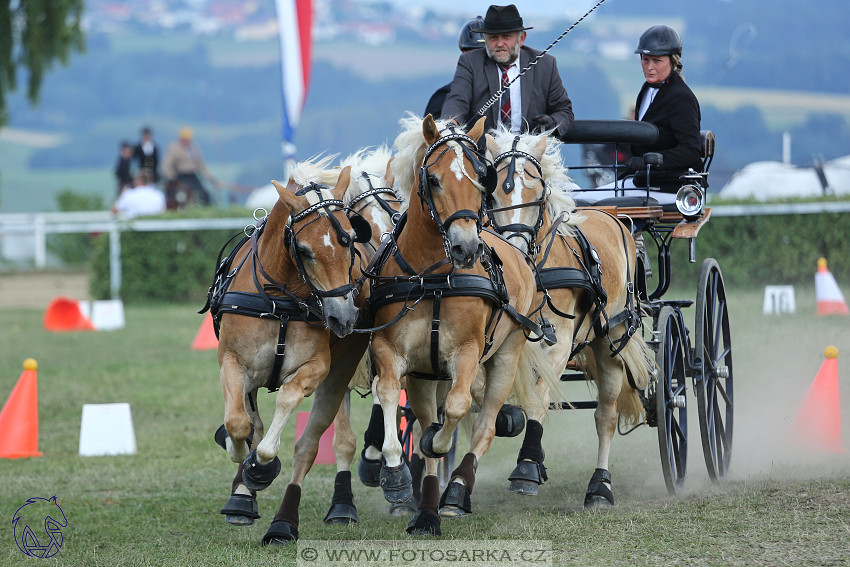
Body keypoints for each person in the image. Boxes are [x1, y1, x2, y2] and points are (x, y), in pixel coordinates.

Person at [574, 25, 704, 204]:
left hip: (670, 187)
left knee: (586, 202)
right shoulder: (647, 89)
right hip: (644, 181)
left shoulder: (681, 97)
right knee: (579, 196)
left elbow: (691, 151)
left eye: (657, 61)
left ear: (673, 61)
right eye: (645, 59)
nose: (649, 67)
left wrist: (652, 161)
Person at [441, 4, 574, 140]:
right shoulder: (470, 62)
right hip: (481, 155)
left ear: (521, 38)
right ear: (485, 39)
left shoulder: (544, 64)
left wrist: (553, 122)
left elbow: (564, 111)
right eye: (493, 37)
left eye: (506, 36)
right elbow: (457, 99)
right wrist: (451, 124)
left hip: (528, 154)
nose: (500, 43)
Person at [423, 16, 485, 120]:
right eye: (472, 53)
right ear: (463, 53)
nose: (478, 59)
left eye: (483, 53)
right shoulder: (442, 97)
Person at [162, 126, 219, 206]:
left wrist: (210, 178)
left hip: (192, 175)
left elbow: (201, 165)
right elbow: (167, 164)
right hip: (180, 176)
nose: (186, 141)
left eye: (188, 139)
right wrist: (171, 177)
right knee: (184, 194)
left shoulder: (194, 148)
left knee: (204, 194)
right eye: (184, 139)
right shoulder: (174, 148)